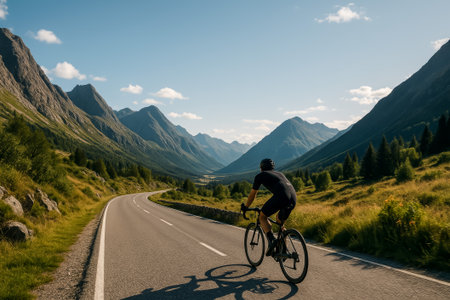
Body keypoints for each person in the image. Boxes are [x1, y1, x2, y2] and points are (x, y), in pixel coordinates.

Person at [241, 158, 297, 256]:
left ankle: (272, 240)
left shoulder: (260, 176)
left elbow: (253, 195)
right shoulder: (280, 174)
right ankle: (283, 251)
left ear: (261, 168)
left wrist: (246, 207)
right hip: (293, 198)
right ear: (273, 167)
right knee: (280, 223)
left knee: (262, 216)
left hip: (281, 196)